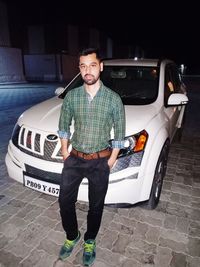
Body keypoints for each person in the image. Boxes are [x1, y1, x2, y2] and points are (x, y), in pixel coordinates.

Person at [58, 47, 125, 266]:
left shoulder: (114, 99)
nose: (88, 71)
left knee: (96, 206)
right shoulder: (72, 96)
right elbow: (64, 125)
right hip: (74, 158)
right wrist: (64, 150)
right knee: (65, 201)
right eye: (83, 66)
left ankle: (89, 240)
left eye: (92, 65)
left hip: (100, 161)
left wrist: (112, 159)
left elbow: (120, 132)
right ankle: (72, 235)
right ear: (79, 68)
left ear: (101, 67)